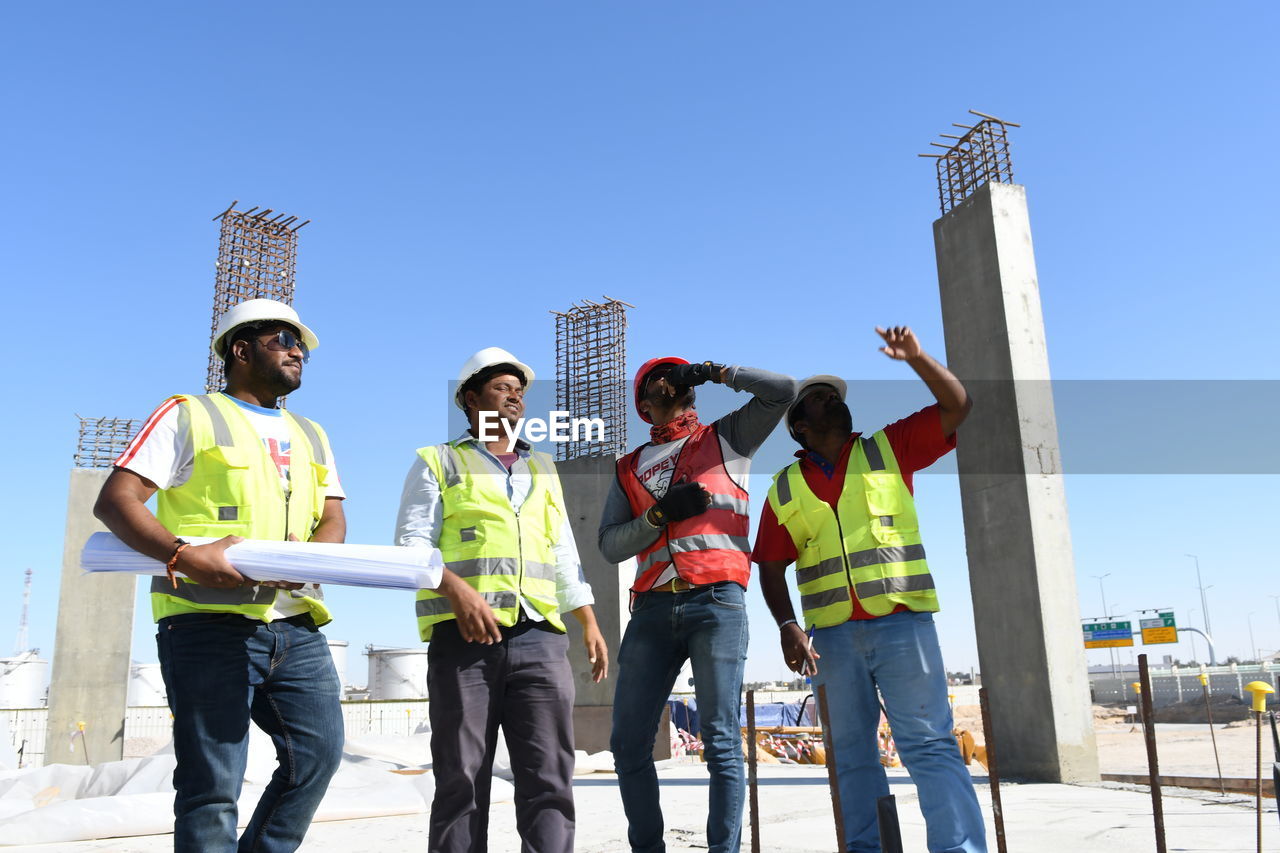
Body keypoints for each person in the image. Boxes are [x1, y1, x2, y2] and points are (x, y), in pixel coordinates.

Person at [94, 299, 344, 852]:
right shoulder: (189, 414)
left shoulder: (311, 433)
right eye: (283, 339)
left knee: (318, 759)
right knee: (213, 784)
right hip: (205, 623)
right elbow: (116, 500)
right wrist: (182, 554)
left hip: (296, 626)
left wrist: (308, 562)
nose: (297, 350)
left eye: (300, 342)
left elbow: (332, 516)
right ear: (241, 349)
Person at [754, 325, 986, 853]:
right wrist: (788, 626)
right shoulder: (785, 488)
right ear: (799, 428)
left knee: (928, 745)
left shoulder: (890, 448)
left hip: (903, 624)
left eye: (835, 397)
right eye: (819, 400)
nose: (833, 402)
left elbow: (957, 403)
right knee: (853, 755)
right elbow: (769, 566)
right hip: (830, 640)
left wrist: (918, 357)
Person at [394, 346, 609, 853]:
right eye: (501, 388)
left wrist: (588, 621)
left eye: (520, 391)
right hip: (463, 640)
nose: (514, 396)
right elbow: (411, 546)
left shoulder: (543, 468)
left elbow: (561, 550)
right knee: (461, 777)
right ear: (470, 399)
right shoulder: (437, 461)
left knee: (550, 775)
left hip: (540, 638)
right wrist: (454, 588)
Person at [599, 357, 795, 853]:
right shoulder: (628, 467)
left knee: (722, 742)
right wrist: (660, 515)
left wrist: (714, 372)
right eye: (658, 376)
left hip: (716, 601)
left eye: (677, 372)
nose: (672, 376)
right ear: (644, 403)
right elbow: (609, 545)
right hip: (651, 611)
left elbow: (782, 389)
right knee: (627, 745)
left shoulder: (727, 438)